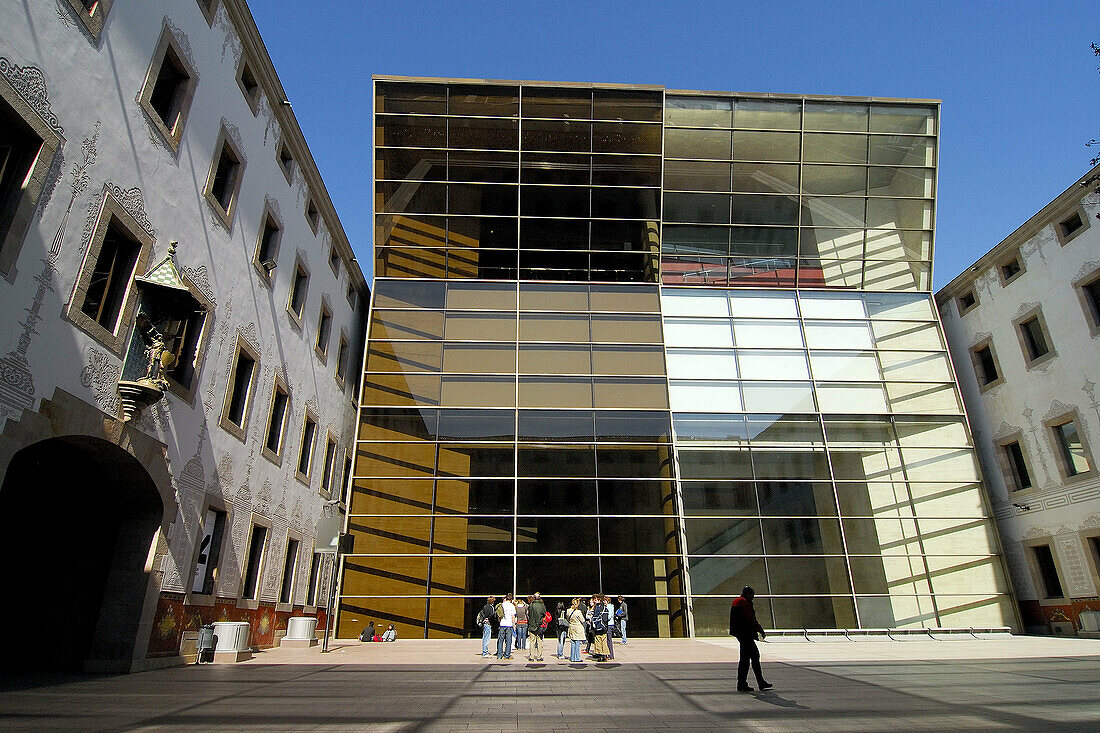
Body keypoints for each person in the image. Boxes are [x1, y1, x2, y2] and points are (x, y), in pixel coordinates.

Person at [729, 586, 772, 692]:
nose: (753, 597)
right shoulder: (744, 602)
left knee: (745, 659)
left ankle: (744, 683)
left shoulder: (737, 601)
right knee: (754, 657)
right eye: (752, 595)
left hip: (740, 633)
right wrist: (760, 629)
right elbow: (750, 618)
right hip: (745, 633)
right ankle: (756, 683)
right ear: (748, 594)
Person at [527, 593, 547, 662]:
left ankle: (531, 657)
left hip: (532, 626)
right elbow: (544, 615)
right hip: (540, 626)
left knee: (532, 642)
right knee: (539, 642)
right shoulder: (542, 606)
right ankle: (539, 656)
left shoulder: (531, 605)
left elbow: (529, 614)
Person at [590, 596, 610, 661]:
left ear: (598, 600)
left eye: (595, 600)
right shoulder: (605, 607)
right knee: (604, 641)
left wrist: (594, 625)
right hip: (604, 627)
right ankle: (605, 655)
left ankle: (600, 655)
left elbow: (595, 618)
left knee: (598, 641)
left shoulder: (597, 607)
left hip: (598, 627)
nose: (594, 601)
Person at [566, 597, 587, 663]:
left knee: (572, 642)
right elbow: (583, 620)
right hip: (577, 627)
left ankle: (572, 657)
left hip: (571, 627)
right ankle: (577, 657)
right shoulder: (578, 612)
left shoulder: (568, 611)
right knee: (577, 643)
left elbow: (567, 618)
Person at [496, 592, 516, 660]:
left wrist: (500, 622)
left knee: (500, 640)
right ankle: (507, 655)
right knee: (508, 640)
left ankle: (499, 655)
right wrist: (514, 624)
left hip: (502, 624)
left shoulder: (501, 605)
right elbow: (513, 616)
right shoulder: (512, 606)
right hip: (509, 625)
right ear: (511, 599)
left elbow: (499, 615)